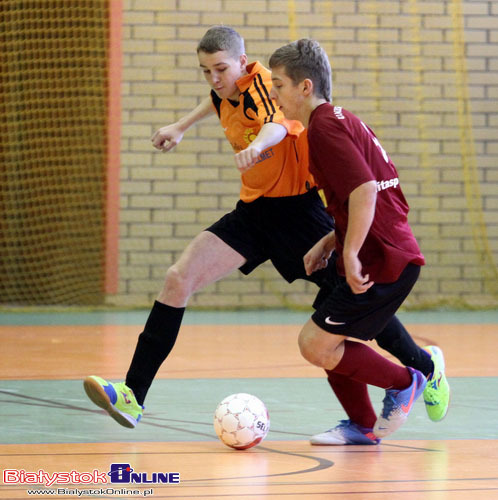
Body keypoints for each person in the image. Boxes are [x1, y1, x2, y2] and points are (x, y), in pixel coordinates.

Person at [83, 27, 449, 443]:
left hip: (300, 214)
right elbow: (219, 98)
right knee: (177, 278)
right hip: (254, 214)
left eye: (221, 68)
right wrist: (181, 125)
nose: (214, 78)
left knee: (346, 306)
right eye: (205, 71)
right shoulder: (227, 86)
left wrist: (258, 145)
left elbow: (277, 125)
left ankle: (422, 367)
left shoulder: (269, 88)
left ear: (243, 62)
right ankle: (132, 395)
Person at [268, 38, 450, 444]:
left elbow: (366, 189)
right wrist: (333, 240)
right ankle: (363, 426)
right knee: (327, 336)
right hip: (382, 250)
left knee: (314, 346)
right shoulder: (338, 119)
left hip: (382, 260)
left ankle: (408, 380)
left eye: (278, 84)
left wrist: (349, 252)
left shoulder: (325, 128)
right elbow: (367, 195)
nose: (273, 93)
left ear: (305, 87)